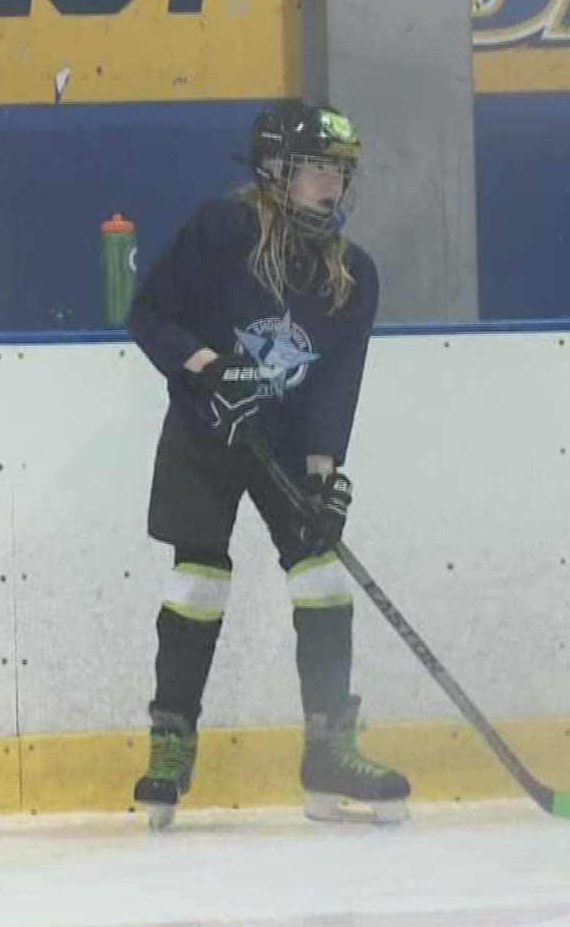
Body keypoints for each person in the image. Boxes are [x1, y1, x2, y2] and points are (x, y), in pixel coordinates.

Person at [123, 98, 407, 829]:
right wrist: (209, 367)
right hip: (204, 431)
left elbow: (336, 388)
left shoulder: (355, 277)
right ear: (276, 170)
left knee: (322, 572)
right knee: (199, 577)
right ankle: (171, 742)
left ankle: (329, 751)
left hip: (279, 444)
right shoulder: (222, 230)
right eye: (317, 167)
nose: (332, 184)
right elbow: (149, 313)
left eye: (340, 170)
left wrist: (322, 478)